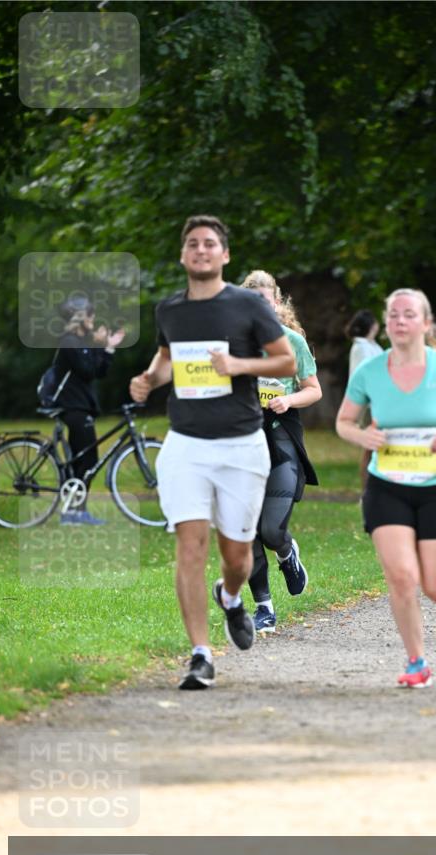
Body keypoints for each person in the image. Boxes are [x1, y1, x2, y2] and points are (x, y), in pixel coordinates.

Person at [129, 215, 296, 690]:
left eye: (210, 244)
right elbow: (166, 362)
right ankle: (200, 654)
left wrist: (237, 364)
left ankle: (231, 594)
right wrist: (148, 379)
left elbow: (284, 359)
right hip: (185, 443)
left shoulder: (246, 305)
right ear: (184, 255)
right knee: (189, 544)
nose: (201, 250)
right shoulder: (171, 310)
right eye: (193, 244)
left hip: (242, 444)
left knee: (238, 556)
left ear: (224, 255)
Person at [336, 288, 436, 688]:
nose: (400, 322)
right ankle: (416, 661)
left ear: (425, 323)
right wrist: (363, 438)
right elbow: (344, 422)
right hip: (387, 485)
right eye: (393, 315)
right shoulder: (369, 372)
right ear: (386, 325)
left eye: (408, 315)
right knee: (401, 577)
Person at [240, 270, 322, 633]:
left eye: (266, 299)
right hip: (239, 443)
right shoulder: (232, 344)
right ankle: (264, 608)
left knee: (271, 529)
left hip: (279, 438)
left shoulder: (291, 342)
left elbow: (313, 389)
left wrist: (288, 399)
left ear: (276, 302)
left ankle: (287, 553)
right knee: (245, 530)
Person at [47, 293, 125, 525]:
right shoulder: (69, 342)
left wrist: (108, 348)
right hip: (73, 407)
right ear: (79, 318)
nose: (93, 318)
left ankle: (74, 511)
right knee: (88, 460)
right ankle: (73, 513)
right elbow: (88, 371)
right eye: (89, 314)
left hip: (81, 406)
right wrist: (100, 345)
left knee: (83, 461)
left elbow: (99, 371)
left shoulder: (80, 343)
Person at [345, 309, 383, 488]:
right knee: (370, 445)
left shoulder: (371, 345)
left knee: (374, 446)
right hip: (370, 402)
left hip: (379, 400)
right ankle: (367, 488)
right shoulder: (361, 346)